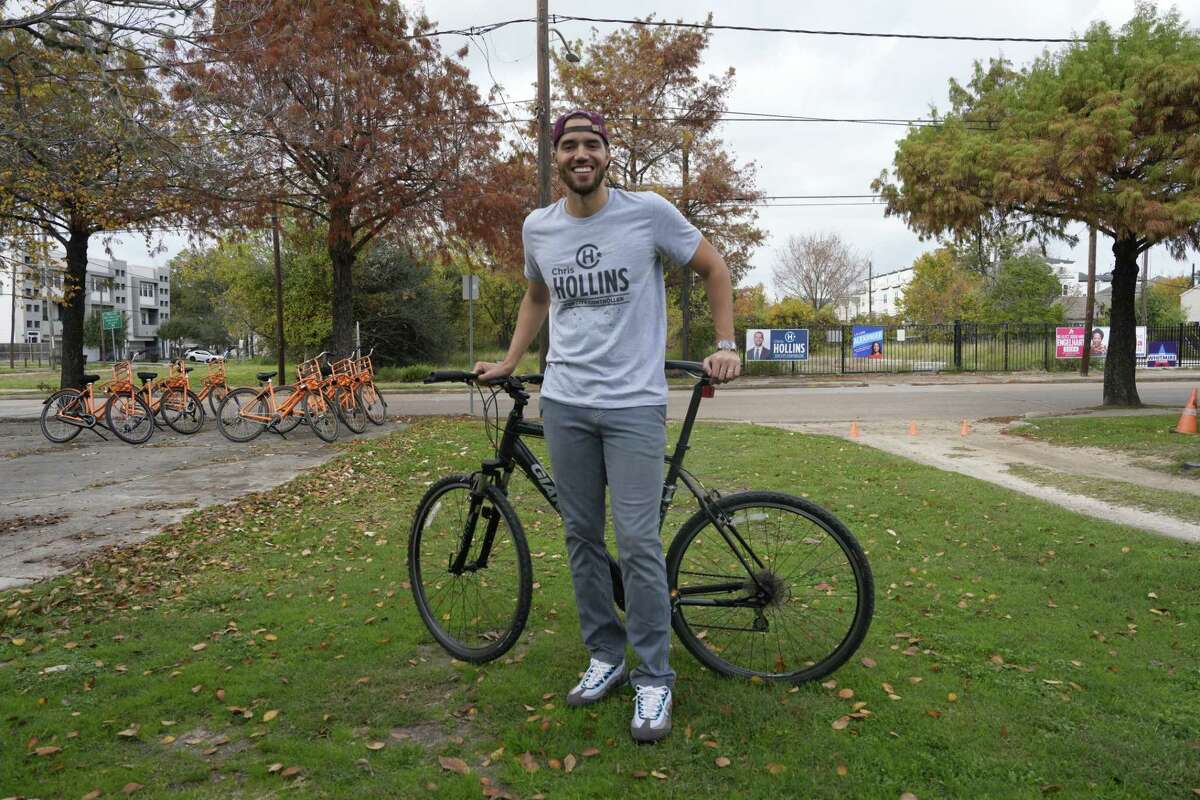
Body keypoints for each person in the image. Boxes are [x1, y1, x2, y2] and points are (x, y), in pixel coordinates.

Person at [474, 109, 741, 743]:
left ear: (606, 155)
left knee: (640, 544)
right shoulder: (537, 227)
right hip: (564, 402)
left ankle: (654, 678)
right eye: (569, 146)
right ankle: (606, 654)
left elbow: (714, 266)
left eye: (591, 143)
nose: (581, 154)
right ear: (556, 158)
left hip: (633, 405)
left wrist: (726, 341)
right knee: (581, 536)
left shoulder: (647, 212)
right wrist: (512, 360)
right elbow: (537, 296)